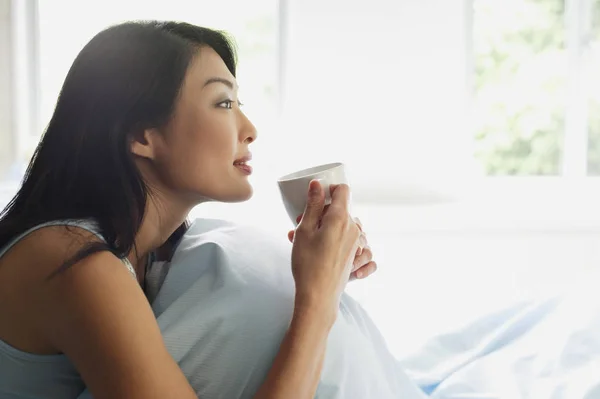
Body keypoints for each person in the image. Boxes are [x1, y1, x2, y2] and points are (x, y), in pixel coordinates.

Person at [0, 21, 379, 398]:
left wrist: (330, 263)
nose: (249, 129)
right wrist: (317, 299)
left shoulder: (148, 253)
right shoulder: (76, 262)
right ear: (141, 135)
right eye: (223, 103)